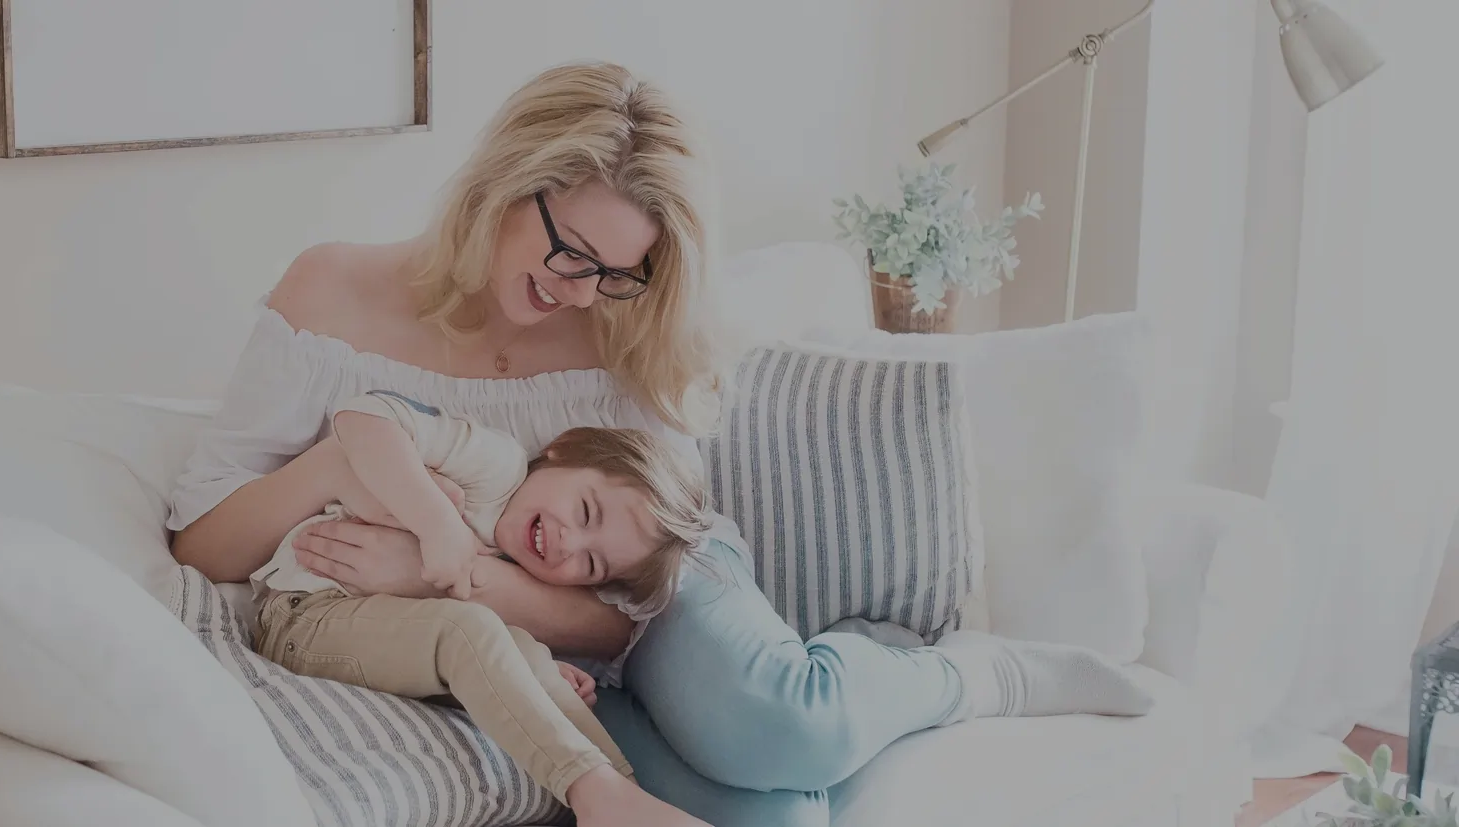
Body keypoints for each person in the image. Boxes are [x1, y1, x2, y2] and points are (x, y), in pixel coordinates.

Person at [169, 60, 1153, 825]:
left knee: (781, 720)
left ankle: (973, 674)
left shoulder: (622, 330)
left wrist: (443, 569)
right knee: (761, 812)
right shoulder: (332, 295)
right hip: (529, 633)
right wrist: (347, 470)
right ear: (506, 187)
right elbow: (200, 544)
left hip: (654, 565)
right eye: (569, 253)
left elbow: (621, 615)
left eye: (616, 272)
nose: (583, 291)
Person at [247, 388, 714, 827]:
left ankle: (622, 795)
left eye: (591, 564)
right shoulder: (494, 467)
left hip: (380, 638)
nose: (568, 542)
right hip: (304, 615)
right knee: (468, 628)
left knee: (527, 654)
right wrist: (437, 525)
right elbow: (362, 415)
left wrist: (532, 669)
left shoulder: (527, 565)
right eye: (586, 511)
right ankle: (590, 789)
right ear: (563, 449)